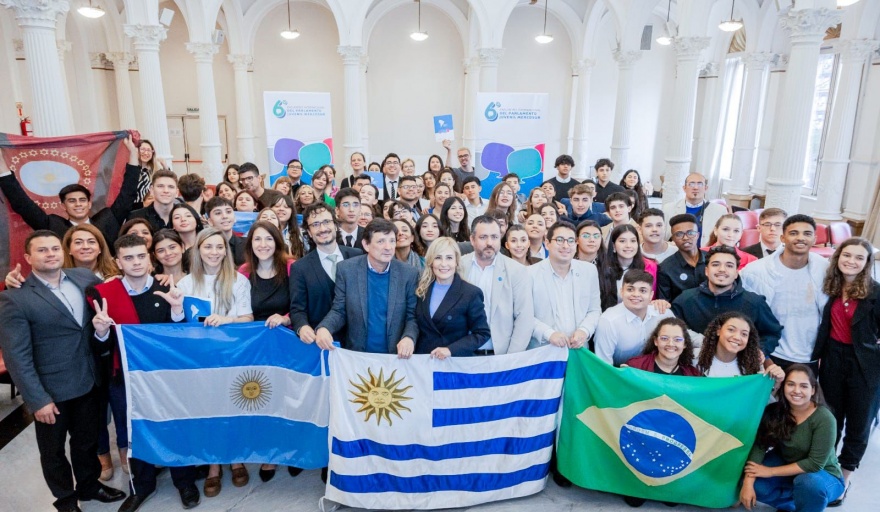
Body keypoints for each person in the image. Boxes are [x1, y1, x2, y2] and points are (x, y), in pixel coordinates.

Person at [0, 230, 127, 512]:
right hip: (51, 391)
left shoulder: (84, 278)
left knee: (87, 442)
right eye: (42, 250)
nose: (51, 254)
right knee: (53, 451)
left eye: (55, 248)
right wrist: (37, 400)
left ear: (63, 251)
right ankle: (66, 501)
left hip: (89, 380)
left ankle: (89, 486)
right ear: (28, 257)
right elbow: (16, 356)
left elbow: (113, 296)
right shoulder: (15, 297)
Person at [87, 234, 199, 512]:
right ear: (118, 262)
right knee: (133, 431)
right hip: (124, 378)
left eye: (140, 256)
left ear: (149, 257)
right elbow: (101, 350)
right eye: (128, 258)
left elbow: (180, 338)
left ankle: (184, 482)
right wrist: (101, 333)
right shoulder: (104, 295)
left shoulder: (167, 287)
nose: (136, 262)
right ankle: (142, 484)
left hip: (165, 376)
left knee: (174, 426)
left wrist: (177, 310)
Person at [176, 227, 254, 497]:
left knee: (233, 408)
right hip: (200, 361)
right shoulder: (185, 284)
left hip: (232, 356)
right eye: (208, 247)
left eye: (220, 247)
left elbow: (247, 318)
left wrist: (227, 319)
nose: (214, 252)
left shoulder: (239, 281)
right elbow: (179, 325)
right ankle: (213, 465)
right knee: (208, 411)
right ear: (197, 250)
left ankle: (236, 459)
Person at [811, 238, 879, 494]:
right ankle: (827, 466)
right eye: (847, 255)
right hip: (832, 359)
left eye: (859, 257)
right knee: (831, 418)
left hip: (866, 364)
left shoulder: (876, 293)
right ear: (838, 257)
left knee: (859, 422)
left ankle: (845, 474)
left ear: (867, 263)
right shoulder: (831, 286)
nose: (851, 261)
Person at [0, 135, 141, 250]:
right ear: (63, 206)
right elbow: (21, 203)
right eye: (72, 201)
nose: (78, 204)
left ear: (89, 204)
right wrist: (1, 163)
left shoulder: (108, 219)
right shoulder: (53, 226)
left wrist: (133, 155)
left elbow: (128, 194)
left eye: (82, 200)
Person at [740, 365, 845, 512]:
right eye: (791, 384)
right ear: (783, 387)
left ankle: (808, 506)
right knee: (755, 484)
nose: (796, 390)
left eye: (803, 386)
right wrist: (748, 483)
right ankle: (789, 505)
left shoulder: (824, 418)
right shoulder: (775, 411)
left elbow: (814, 464)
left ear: (813, 390)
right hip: (788, 467)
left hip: (824, 476)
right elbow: (760, 446)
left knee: (809, 484)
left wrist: (770, 471)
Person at [314, 219, 420, 356]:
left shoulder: (409, 274)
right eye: (381, 241)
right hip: (358, 355)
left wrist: (409, 337)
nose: (388, 247)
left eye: (392, 241)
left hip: (395, 356)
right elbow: (339, 310)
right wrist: (324, 328)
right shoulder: (347, 270)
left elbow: (412, 316)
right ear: (366, 244)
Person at [741, 214, 829, 371]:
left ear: (814, 239)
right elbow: (746, 317)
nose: (800, 238)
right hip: (771, 354)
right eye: (794, 233)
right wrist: (764, 355)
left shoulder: (825, 269)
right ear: (782, 237)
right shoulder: (756, 271)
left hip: (809, 355)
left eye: (807, 233)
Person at [290, 203, 363, 365]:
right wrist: (302, 327)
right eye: (315, 224)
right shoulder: (300, 268)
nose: (322, 228)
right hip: (322, 347)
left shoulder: (357, 256)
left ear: (335, 225)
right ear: (309, 232)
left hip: (358, 346)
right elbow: (297, 309)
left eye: (326, 222)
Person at [672, 245, 782, 352]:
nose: (722, 269)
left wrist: (760, 350)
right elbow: (672, 329)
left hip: (739, 362)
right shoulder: (685, 300)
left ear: (736, 273)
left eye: (729, 266)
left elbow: (772, 333)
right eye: (715, 264)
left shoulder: (755, 302)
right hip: (695, 361)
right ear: (706, 271)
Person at [460, 216, 535, 355]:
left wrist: (511, 358)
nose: (489, 243)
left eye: (494, 237)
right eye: (483, 237)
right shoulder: (459, 266)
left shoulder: (516, 270)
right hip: (463, 354)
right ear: (472, 239)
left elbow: (524, 319)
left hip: (501, 356)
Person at [529, 221, 602, 349]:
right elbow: (524, 315)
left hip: (578, 348)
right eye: (559, 240)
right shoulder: (529, 274)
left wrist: (584, 330)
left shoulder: (589, 271)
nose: (566, 245)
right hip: (543, 349)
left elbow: (594, 310)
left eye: (571, 241)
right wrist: (549, 334)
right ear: (547, 243)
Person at [414, 237, 490, 357]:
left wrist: (450, 350)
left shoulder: (470, 293)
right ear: (431, 262)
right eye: (438, 258)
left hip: (454, 362)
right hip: (424, 362)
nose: (444, 264)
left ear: (456, 261)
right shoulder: (421, 289)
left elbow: (482, 333)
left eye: (449, 258)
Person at [595, 270, 672, 366]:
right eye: (630, 289)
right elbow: (603, 365)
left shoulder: (663, 313)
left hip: (655, 370)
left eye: (643, 291)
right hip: (620, 372)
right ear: (621, 292)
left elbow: (681, 340)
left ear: (651, 295)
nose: (636, 294)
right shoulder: (608, 321)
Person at [599, 224, 658, 311]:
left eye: (633, 241)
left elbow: (652, 299)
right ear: (614, 246)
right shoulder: (603, 267)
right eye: (622, 241)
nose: (628, 245)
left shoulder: (649, 266)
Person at [661, 172, 727, 247]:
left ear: (706, 188)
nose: (695, 187)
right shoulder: (668, 208)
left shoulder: (720, 211)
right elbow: (662, 237)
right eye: (691, 184)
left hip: (706, 252)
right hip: (676, 251)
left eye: (700, 184)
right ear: (684, 188)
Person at [657, 213, 708, 302]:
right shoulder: (665, 268)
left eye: (690, 233)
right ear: (673, 238)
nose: (685, 238)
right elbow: (664, 302)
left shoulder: (713, 259)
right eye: (679, 234)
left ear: (697, 235)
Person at [626, 317, 701, 376]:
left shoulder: (694, 375)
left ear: (685, 344)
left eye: (677, 339)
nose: (671, 344)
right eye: (664, 338)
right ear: (656, 341)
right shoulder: (634, 367)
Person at [204, 196, 247, 268]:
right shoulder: (204, 247)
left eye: (228, 212)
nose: (224, 216)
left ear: (235, 218)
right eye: (218, 213)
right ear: (210, 221)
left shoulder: (248, 244)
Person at [268, 194, 306, 258]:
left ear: (292, 211)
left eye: (286, 207)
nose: (281, 209)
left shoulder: (301, 233)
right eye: (277, 206)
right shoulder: (260, 231)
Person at [134, 140, 168, 209]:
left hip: (154, 208)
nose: (146, 153)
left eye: (149, 150)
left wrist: (165, 166)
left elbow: (169, 182)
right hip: (136, 209)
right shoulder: (132, 171)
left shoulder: (155, 170)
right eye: (142, 149)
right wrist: (143, 204)